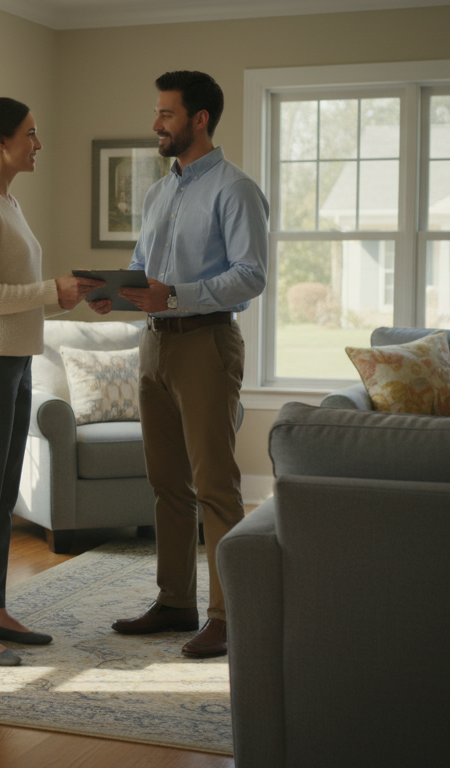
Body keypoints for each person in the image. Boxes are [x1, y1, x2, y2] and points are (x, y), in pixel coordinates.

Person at [90, 71, 268, 659]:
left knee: (214, 485)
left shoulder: (236, 189)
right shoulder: (157, 194)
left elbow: (251, 276)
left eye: (166, 114)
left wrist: (177, 296)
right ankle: (174, 602)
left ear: (200, 119)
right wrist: (116, 293)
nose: (156, 124)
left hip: (205, 344)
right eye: (158, 113)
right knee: (166, 483)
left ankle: (227, 615)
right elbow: (144, 267)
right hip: (153, 345)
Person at [0, 97, 103, 667]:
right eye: (30, 134)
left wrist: (66, 298)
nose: (39, 144)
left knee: (2, 494)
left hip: (12, 361)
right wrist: (49, 290)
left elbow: (15, 295)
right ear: (1, 140)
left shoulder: (8, 202)